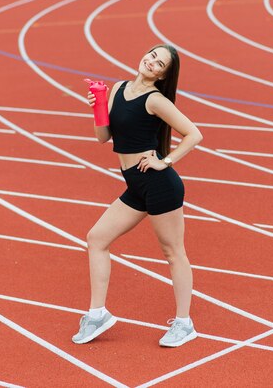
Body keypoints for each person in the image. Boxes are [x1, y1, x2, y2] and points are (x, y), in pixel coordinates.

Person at [72, 44, 203, 347]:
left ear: (162, 76)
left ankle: (184, 323)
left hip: (158, 184)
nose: (151, 62)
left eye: (159, 64)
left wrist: (165, 160)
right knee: (96, 239)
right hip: (135, 185)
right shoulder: (118, 88)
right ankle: (97, 314)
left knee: (173, 252)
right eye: (152, 56)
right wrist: (98, 106)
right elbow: (104, 138)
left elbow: (194, 134)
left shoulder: (155, 99)